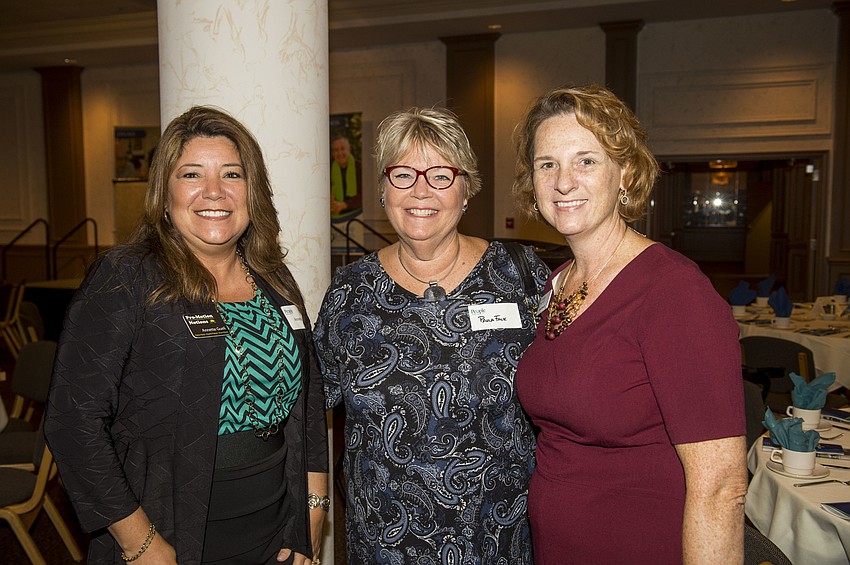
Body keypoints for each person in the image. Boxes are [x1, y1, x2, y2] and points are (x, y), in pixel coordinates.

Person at [44, 106, 329, 565]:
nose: (214, 191)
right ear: (165, 192)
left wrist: (313, 511)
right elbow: (73, 421)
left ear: (252, 191)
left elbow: (309, 405)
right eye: (192, 174)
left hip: (274, 528)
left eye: (232, 174)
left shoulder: (274, 278)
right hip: (168, 531)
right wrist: (140, 543)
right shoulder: (127, 277)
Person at [512, 84, 747, 564]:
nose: (563, 182)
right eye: (547, 164)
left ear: (626, 173)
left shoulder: (674, 293)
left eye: (586, 161)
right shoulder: (559, 281)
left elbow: (722, 486)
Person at [314, 107, 549, 564]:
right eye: (403, 175)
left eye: (441, 175)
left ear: (466, 190)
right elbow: (306, 409)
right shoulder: (350, 292)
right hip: (384, 546)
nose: (420, 191)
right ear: (383, 189)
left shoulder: (519, 276)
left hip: (498, 542)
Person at [329, 134, 362, 221]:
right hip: (335, 219)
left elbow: (365, 195)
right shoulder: (328, 171)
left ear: (349, 150)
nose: (340, 153)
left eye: (342, 149)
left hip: (358, 216)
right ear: (333, 153)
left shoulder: (360, 168)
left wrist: (345, 204)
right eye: (336, 150)